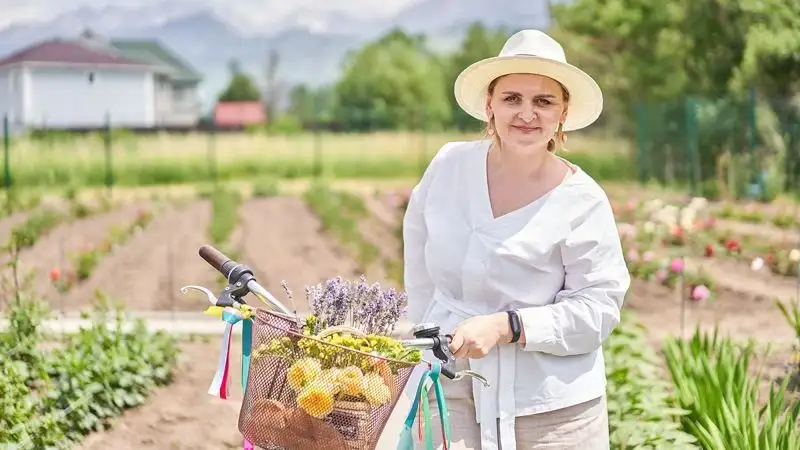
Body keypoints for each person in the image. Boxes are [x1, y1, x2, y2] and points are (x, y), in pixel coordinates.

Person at [402, 29, 631, 450]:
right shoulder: (448, 167)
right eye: (512, 99)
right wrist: (427, 339)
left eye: (544, 101)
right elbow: (418, 263)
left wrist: (510, 326)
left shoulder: (581, 201)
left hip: (550, 408)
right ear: (489, 106)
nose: (527, 113)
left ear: (563, 112)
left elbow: (598, 308)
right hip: (452, 384)